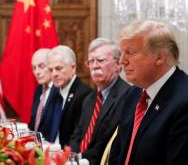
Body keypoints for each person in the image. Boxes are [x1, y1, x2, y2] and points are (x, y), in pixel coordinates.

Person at [109, 20, 188, 165]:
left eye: (130, 53)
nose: (121, 61)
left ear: (159, 57)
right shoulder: (133, 93)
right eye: (121, 53)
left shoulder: (184, 102)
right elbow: (118, 151)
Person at [68, 38, 130, 165]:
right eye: (91, 61)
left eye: (101, 61)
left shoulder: (127, 96)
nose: (95, 66)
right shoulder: (90, 98)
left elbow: (104, 142)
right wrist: (71, 157)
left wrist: (78, 160)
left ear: (118, 64)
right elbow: (77, 135)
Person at [44, 45, 91, 147]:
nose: (54, 74)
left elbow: (79, 137)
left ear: (73, 68)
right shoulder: (54, 91)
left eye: (58, 68)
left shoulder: (84, 94)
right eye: (51, 70)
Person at [28, 48, 58, 141]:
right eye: (34, 68)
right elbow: (33, 124)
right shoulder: (38, 90)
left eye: (41, 66)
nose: (37, 72)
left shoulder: (59, 90)